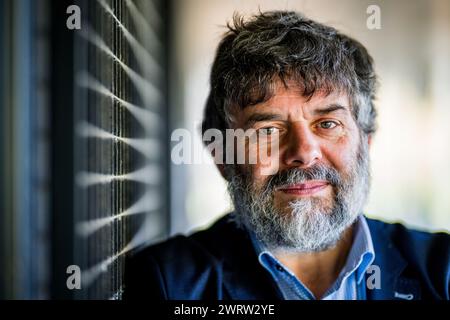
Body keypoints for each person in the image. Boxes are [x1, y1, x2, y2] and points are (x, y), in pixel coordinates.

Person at [124, 11, 450, 300]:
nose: (304, 153)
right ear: (222, 155)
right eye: (268, 130)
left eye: (327, 123)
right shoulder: (169, 285)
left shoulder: (443, 271)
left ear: (365, 143)